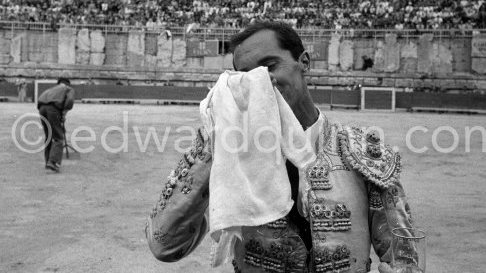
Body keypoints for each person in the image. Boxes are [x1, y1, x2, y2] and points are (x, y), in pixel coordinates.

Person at [145, 22, 414, 273]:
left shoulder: (361, 151)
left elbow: (403, 256)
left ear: (303, 62)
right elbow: (165, 244)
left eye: (270, 66)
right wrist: (215, 142)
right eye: (246, 77)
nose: (261, 82)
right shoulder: (227, 151)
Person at [37, 78, 75, 172]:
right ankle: (53, 162)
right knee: (58, 137)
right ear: (67, 84)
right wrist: (63, 113)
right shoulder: (68, 89)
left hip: (42, 109)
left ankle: (47, 161)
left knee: (49, 136)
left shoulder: (50, 89)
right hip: (53, 109)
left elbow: (39, 100)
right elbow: (70, 101)